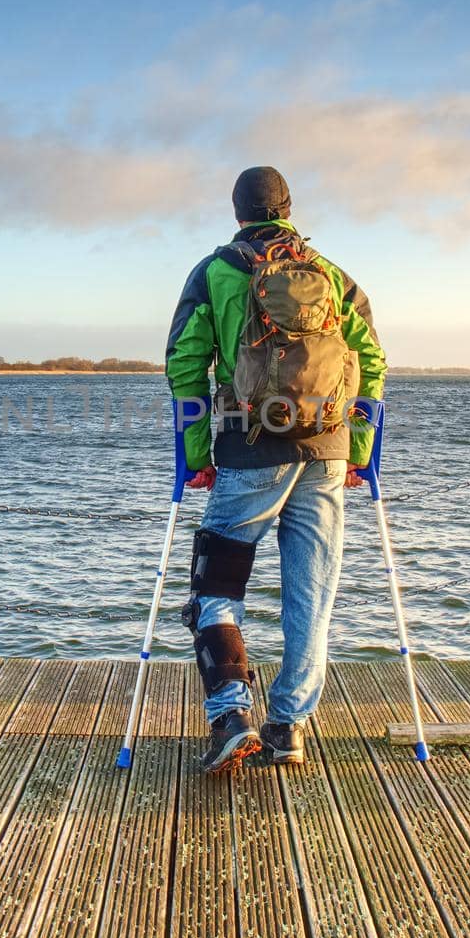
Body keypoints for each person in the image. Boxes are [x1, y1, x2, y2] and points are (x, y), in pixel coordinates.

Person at [165, 166, 386, 773]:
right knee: (311, 593)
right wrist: (360, 448)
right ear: (288, 208)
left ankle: (232, 715)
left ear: (238, 213)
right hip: (328, 451)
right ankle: (288, 727)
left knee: (215, 584)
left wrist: (196, 456)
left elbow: (185, 363)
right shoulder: (333, 277)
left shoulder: (215, 272)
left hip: (248, 449)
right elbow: (370, 359)